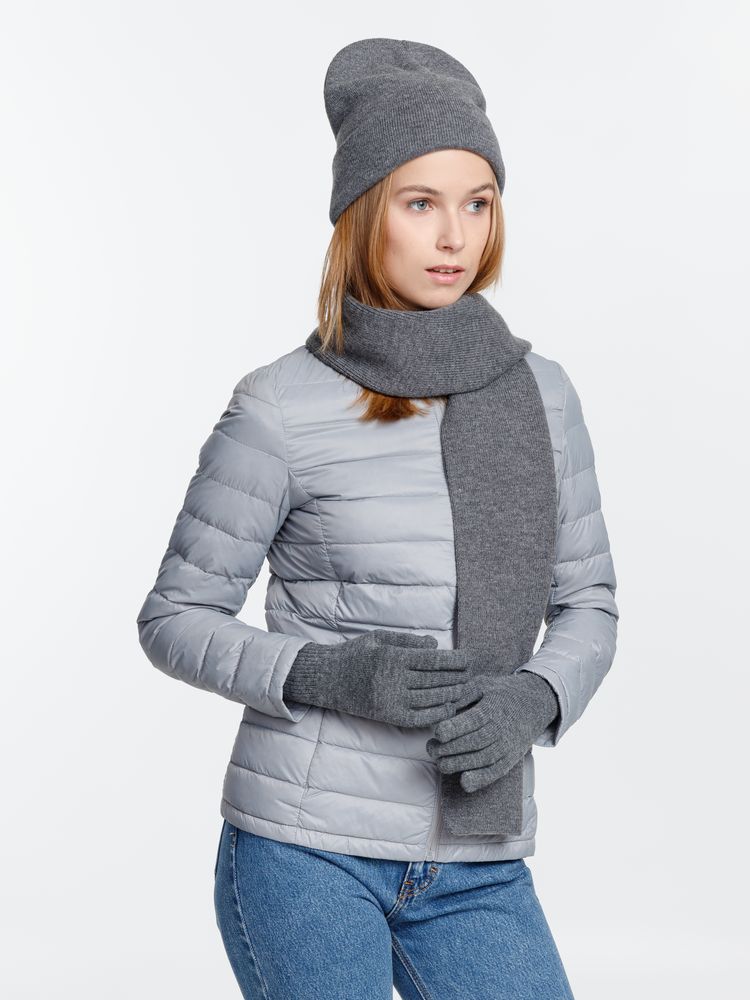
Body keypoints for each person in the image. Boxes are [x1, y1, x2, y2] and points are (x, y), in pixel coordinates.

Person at [136, 37, 619, 1000]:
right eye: (420, 203)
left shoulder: (543, 394)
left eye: (478, 203)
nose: (455, 237)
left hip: (476, 858)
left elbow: (589, 603)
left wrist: (536, 697)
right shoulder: (280, 405)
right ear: (365, 214)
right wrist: (327, 674)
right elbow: (172, 619)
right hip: (305, 849)